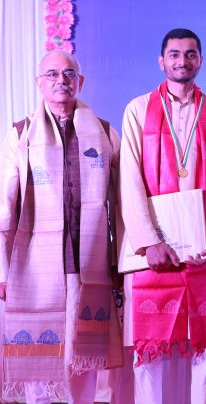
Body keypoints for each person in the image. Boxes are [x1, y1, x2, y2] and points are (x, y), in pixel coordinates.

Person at [120, 28, 206, 403]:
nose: (182, 61)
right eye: (174, 54)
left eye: (190, 54)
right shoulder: (138, 109)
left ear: (200, 60)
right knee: (150, 350)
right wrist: (148, 242)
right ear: (162, 61)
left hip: (204, 249)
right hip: (154, 251)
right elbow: (130, 180)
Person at [0, 51, 122, 403]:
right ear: (39, 83)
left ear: (80, 82)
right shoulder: (20, 134)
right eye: (52, 74)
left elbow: (121, 203)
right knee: (41, 360)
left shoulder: (103, 132)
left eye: (69, 74)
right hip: (36, 264)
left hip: (89, 260)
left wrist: (120, 261)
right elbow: (5, 208)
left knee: (83, 356)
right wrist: (3, 269)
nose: (61, 80)